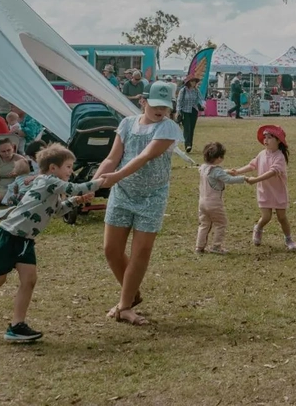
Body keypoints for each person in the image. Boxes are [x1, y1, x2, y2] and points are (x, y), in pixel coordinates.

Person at [0, 144, 106, 342]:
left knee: (29, 281)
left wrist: (76, 201)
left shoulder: (52, 188)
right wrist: (101, 181)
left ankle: (17, 326)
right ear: (53, 168)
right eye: (69, 167)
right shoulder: (48, 181)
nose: (71, 171)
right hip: (8, 236)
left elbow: (57, 210)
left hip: (26, 240)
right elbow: (75, 187)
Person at [95, 81, 185, 326]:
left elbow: (146, 156)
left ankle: (124, 306)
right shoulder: (126, 124)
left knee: (141, 251)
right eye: (156, 105)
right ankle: (132, 294)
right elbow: (112, 158)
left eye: (165, 107)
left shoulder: (169, 128)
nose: (160, 111)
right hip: (123, 194)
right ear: (143, 101)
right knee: (111, 250)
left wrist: (115, 177)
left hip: (152, 196)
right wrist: (91, 184)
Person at [231, 125, 296, 250]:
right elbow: (252, 165)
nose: (266, 140)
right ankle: (258, 228)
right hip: (264, 191)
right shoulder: (261, 154)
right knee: (266, 217)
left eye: (270, 137)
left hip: (278, 191)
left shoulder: (280, 157)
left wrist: (255, 180)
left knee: (282, 217)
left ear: (278, 140)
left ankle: (288, 238)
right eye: (265, 137)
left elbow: (272, 172)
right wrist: (237, 171)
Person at [195, 142, 248, 255]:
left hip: (202, 203)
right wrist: (243, 178)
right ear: (218, 158)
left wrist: (226, 171)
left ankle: (199, 246)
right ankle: (216, 246)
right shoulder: (217, 171)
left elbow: (216, 173)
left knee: (204, 224)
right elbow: (228, 179)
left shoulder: (203, 168)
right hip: (214, 204)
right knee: (221, 223)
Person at [175, 75, 205, 154]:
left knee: (191, 128)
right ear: (188, 82)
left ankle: (190, 145)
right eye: (192, 81)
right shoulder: (183, 90)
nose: (193, 83)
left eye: (195, 81)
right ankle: (187, 144)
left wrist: (202, 104)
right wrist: (178, 111)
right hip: (185, 110)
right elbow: (179, 101)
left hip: (193, 110)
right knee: (187, 128)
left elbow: (200, 99)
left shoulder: (196, 90)